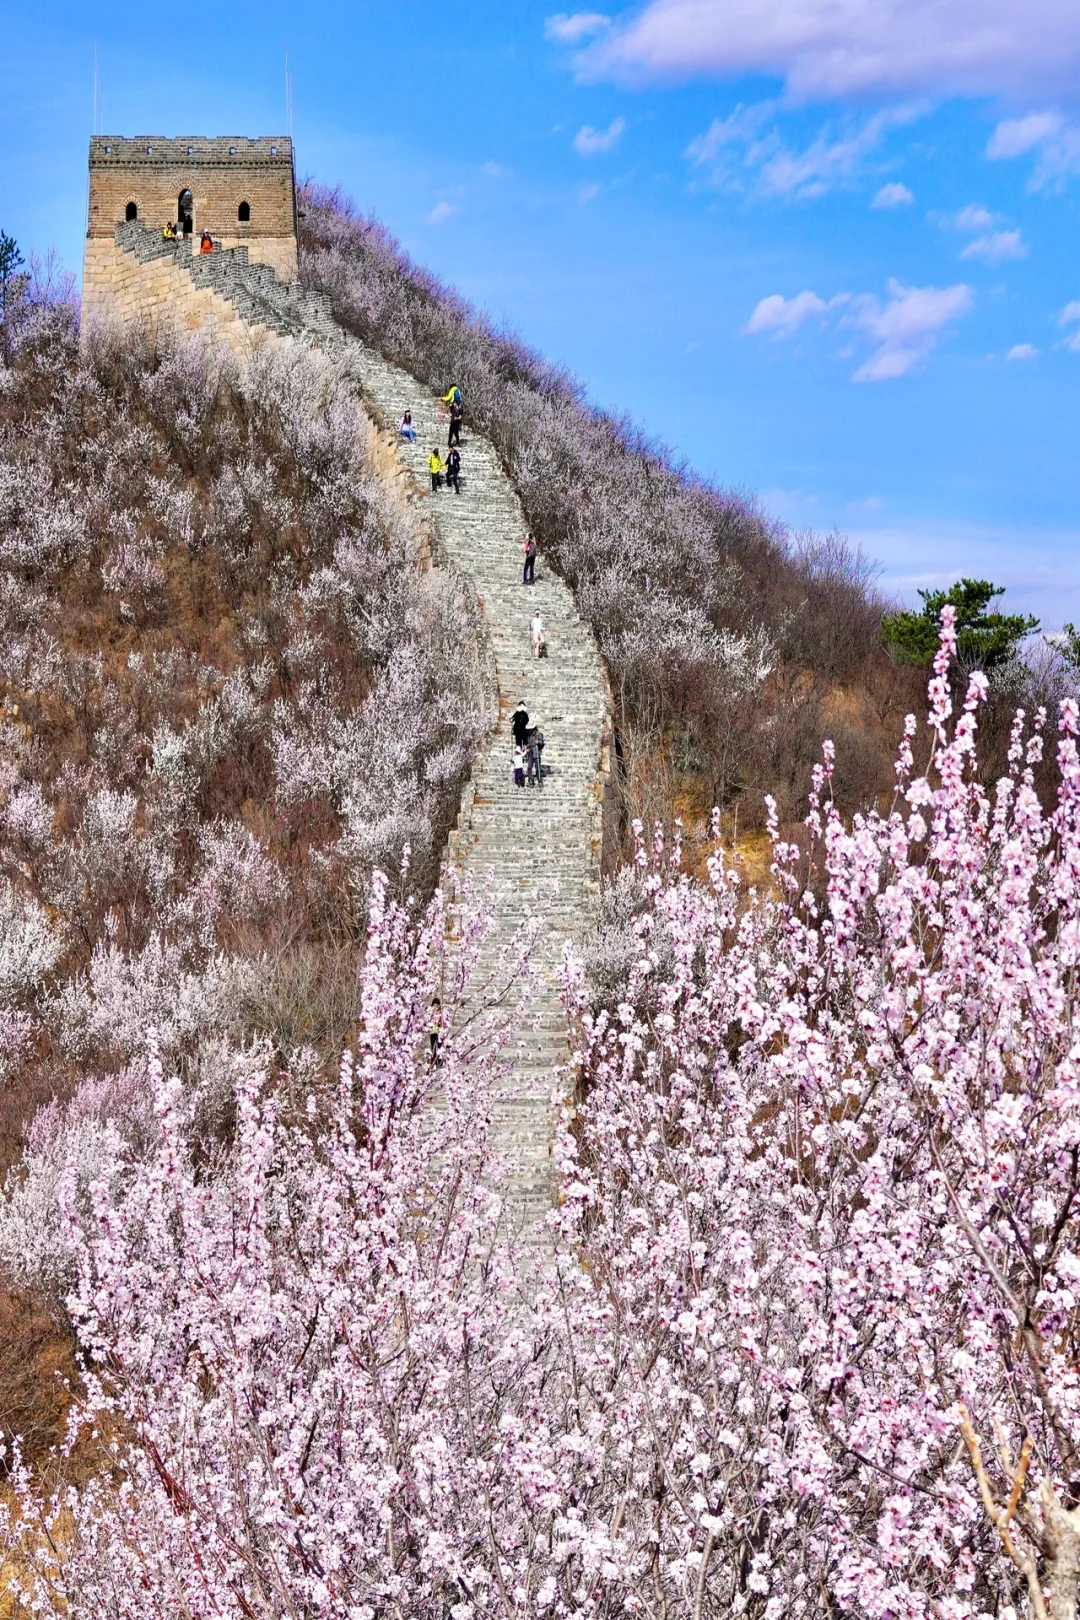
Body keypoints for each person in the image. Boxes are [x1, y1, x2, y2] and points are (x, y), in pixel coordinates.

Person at [429, 998, 442, 1066]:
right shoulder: (431, 1013)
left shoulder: (441, 1014)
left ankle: (439, 1063)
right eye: (434, 1005)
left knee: (439, 1048)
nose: (435, 1007)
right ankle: (432, 1062)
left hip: (439, 1033)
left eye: (437, 1005)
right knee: (433, 1047)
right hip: (433, 1033)